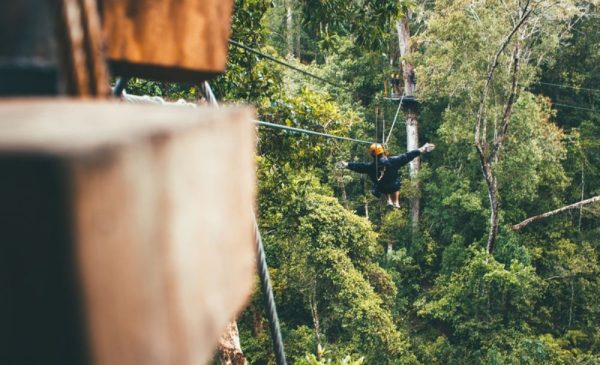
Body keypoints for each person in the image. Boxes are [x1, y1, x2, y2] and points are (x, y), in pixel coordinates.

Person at [336, 142, 435, 208]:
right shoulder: (393, 161)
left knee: (380, 183)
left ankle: (389, 201)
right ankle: (396, 202)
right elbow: (408, 156)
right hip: (394, 186)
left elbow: (359, 167)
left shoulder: (370, 167)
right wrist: (422, 149)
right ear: (383, 152)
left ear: (372, 155)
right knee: (394, 182)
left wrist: (346, 164)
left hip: (382, 188)